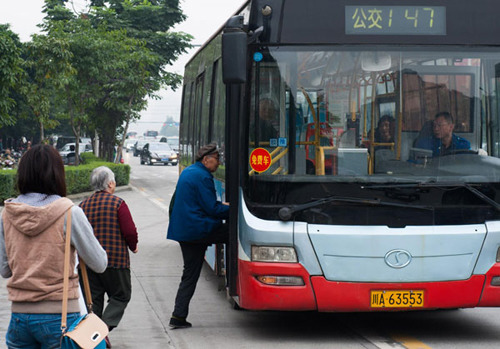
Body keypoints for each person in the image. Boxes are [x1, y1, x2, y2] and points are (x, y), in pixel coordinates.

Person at [0, 144, 107, 349]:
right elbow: (100, 263)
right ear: (58, 173)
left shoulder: (8, 214)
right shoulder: (69, 213)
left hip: (20, 318)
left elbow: (4, 270)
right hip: (61, 317)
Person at [167, 143, 229, 329]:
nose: (218, 163)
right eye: (217, 159)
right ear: (206, 159)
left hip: (185, 230)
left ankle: (178, 315)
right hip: (197, 230)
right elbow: (212, 208)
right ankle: (178, 316)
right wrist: (232, 209)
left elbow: (174, 204)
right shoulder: (203, 176)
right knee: (232, 232)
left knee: (190, 273)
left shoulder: (189, 171)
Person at [79, 166, 139, 348]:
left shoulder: (82, 206)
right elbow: (129, 231)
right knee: (121, 296)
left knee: (93, 303)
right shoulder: (118, 203)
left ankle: (93, 340)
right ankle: (102, 331)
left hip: (89, 263)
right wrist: (133, 246)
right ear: (111, 183)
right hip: (116, 261)